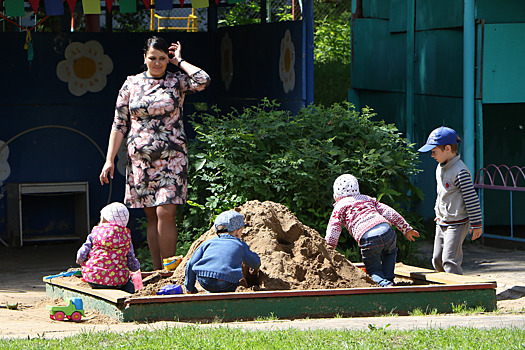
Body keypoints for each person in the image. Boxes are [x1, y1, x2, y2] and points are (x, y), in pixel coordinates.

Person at [99, 36, 211, 270]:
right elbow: (119, 124)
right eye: (153, 58)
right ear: (144, 58)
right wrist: (109, 160)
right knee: (151, 216)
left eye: (162, 58)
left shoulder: (177, 81)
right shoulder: (131, 84)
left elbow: (202, 80)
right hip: (141, 160)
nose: (158, 63)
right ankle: (158, 270)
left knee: (166, 212)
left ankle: (170, 273)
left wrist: (179, 61)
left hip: (173, 158)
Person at [325, 174, 420, 287]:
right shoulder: (367, 199)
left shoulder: (340, 206)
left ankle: (384, 284)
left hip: (369, 238)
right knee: (390, 252)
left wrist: (329, 248)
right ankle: (389, 277)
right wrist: (406, 229)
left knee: (373, 270)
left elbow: (334, 228)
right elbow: (389, 212)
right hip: (387, 231)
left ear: (336, 193)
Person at [418, 126, 482, 275]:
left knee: (450, 260)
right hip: (442, 221)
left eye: (434, 152)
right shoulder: (440, 168)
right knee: (437, 259)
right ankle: (443, 288)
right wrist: (439, 211)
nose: (432, 155)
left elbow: (471, 199)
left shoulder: (460, 172)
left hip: (457, 222)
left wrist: (476, 223)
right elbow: (442, 194)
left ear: (447, 148)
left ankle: (456, 292)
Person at [185, 210, 261, 293]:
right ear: (238, 232)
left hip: (204, 280)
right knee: (228, 282)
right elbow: (255, 263)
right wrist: (255, 268)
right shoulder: (240, 245)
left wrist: (190, 288)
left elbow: (190, 264)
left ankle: (210, 293)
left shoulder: (207, 243)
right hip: (227, 283)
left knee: (211, 284)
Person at [76, 202, 140, 293]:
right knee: (129, 284)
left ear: (105, 221)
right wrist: (136, 267)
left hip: (93, 279)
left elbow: (82, 254)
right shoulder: (126, 238)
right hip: (118, 282)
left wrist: (81, 262)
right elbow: (132, 262)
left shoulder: (94, 234)